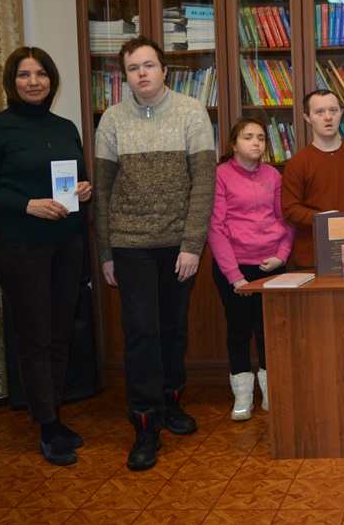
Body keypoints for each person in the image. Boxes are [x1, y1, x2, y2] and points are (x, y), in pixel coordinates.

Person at [93, 35, 216, 471]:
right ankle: (145, 423)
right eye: (133, 68)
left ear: (164, 70)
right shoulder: (111, 120)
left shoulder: (191, 111)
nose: (141, 73)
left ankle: (170, 402)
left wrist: (192, 244)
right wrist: (105, 251)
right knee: (141, 332)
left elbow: (204, 184)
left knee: (173, 328)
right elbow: (102, 191)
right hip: (129, 244)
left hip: (177, 244)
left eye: (148, 65)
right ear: (124, 76)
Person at [0, 47, 92, 466]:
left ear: (51, 80)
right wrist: (27, 205)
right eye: (24, 74)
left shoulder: (65, 127)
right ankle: (47, 426)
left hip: (67, 243)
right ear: (12, 81)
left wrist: (84, 189)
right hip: (19, 246)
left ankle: (52, 413)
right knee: (36, 336)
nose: (34, 81)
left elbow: (77, 179)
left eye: (41, 73)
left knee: (61, 333)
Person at [209, 117, 295, 422]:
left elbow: (285, 220)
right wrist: (235, 277)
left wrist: (281, 257)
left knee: (268, 330)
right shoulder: (220, 175)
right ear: (234, 144)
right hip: (234, 268)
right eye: (248, 137)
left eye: (260, 137)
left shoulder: (273, 175)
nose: (256, 142)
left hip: (271, 266)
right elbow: (216, 228)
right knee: (239, 331)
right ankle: (243, 398)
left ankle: (271, 394)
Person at [282, 90, 344, 268]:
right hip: (312, 258)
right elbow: (290, 210)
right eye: (319, 112)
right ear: (307, 118)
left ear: (341, 113)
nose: (328, 117)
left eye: (333, 110)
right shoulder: (297, 163)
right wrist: (327, 220)